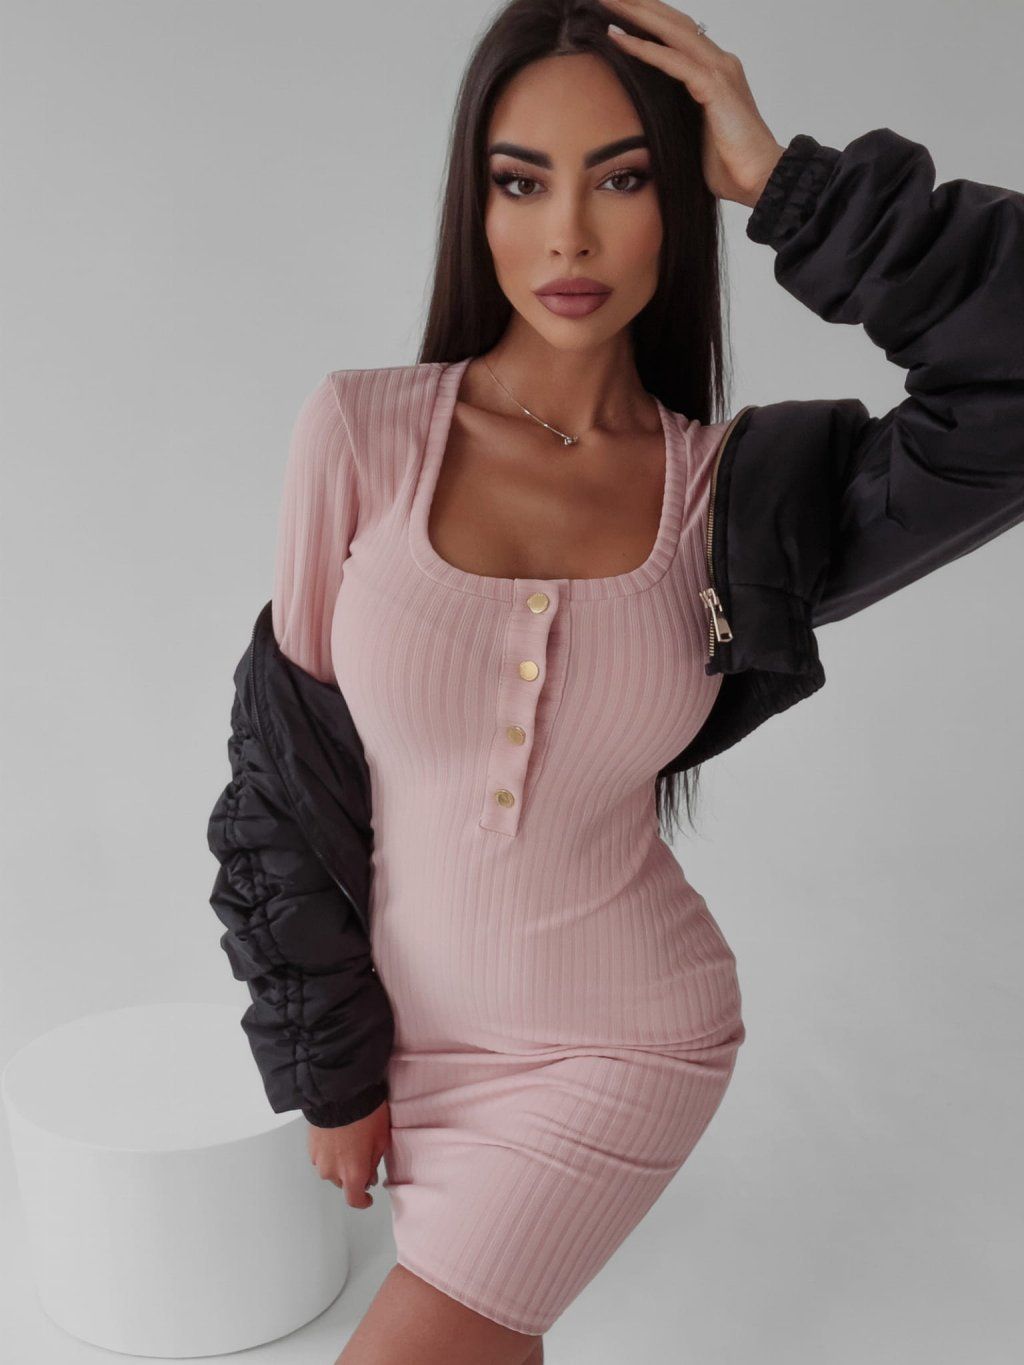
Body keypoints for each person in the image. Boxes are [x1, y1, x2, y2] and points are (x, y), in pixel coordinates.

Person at [206, 3, 1024, 1362]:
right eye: (523, 181)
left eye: (624, 177)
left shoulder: (739, 502)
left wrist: (789, 186)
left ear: (679, 202)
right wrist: (331, 1064)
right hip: (416, 1047)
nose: (570, 236)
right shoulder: (361, 431)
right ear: (476, 203)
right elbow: (279, 784)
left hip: (625, 1043)